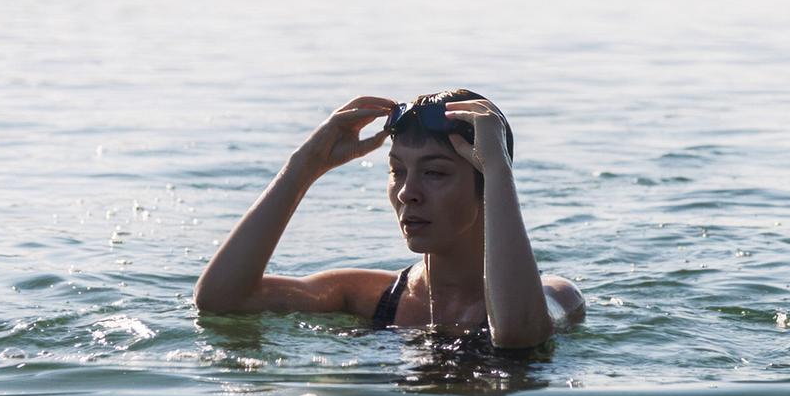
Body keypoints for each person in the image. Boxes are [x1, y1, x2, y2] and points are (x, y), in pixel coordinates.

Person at [194, 89, 585, 349]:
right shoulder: (365, 296)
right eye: (397, 171)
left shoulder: (556, 296)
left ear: (487, 187)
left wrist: (499, 170)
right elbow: (219, 300)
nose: (407, 192)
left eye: (434, 173)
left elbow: (517, 334)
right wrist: (305, 166)